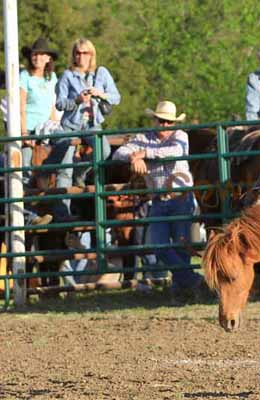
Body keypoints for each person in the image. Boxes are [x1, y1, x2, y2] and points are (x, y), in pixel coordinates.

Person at [112, 101, 204, 297]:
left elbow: (175, 152)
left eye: (168, 122)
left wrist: (144, 154)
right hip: (158, 199)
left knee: (181, 247)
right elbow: (119, 153)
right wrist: (133, 158)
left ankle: (182, 290)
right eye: (161, 121)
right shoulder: (143, 138)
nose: (164, 125)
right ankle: (196, 282)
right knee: (160, 247)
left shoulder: (180, 136)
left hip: (180, 198)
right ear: (154, 120)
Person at [49, 38, 120, 218]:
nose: (81, 56)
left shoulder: (101, 73)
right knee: (64, 168)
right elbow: (59, 104)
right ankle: (62, 214)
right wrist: (77, 101)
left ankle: (80, 173)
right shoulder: (67, 75)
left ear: (91, 55)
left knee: (103, 151)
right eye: (78, 53)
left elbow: (116, 97)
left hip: (92, 124)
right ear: (73, 56)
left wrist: (100, 94)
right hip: (70, 125)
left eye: (85, 53)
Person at [19, 37, 60, 187]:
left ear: (48, 58)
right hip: (29, 130)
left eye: (42, 54)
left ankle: (47, 204)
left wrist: (55, 125)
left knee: (48, 171)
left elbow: (52, 105)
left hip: (46, 131)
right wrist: (23, 133)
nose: (38, 58)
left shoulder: (52, 77)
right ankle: (26, 209)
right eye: (35, 54)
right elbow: (20, 106)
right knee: (26, 170)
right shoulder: (24, 76)